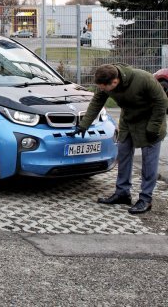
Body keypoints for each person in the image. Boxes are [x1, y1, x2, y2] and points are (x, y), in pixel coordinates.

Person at [71, 63, 167, 214]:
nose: (101, 90)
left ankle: (145, 199)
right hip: (128, 122)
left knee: (149, 164)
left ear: (114, 82)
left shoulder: (143, 79)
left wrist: (153, 127)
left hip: (150, 123)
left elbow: (162, 102)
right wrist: (84, 125)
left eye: (103, 87)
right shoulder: (107, 81)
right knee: (123, 156)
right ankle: (122, 193)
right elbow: (97, 102)